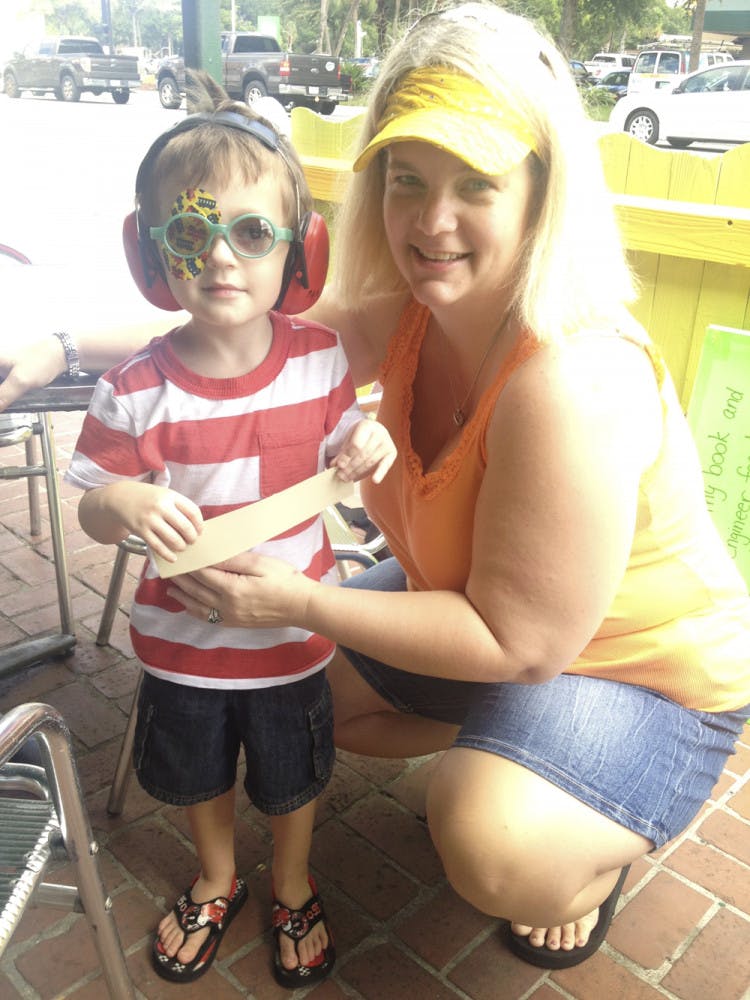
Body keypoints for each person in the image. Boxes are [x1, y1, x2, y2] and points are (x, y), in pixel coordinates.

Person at [2, 2, 750, 971]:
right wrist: (56, 345)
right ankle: (519, 747)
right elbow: (224, 335)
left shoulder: (572, 377)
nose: (431, 222)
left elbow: (520, 641)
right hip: (483, 616)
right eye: (407, 181)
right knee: (321, 699)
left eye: (474, 182)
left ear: (541, 190)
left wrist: (301, 598)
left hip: (635, 665)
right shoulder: (415, 308)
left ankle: (578, 841)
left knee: (487, 837)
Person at [63, 74, 395, 988]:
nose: (220, 257)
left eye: (251, 232)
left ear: (298, 251)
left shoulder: (321, 358)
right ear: (151, 252)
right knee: (199, 772)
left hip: (291, 639)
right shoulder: (132, 388)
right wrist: (122, 504)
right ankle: (216, 878)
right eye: (189, 230)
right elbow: (90, 497)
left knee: (293, 775)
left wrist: (369, 439)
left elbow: (346, 446)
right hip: (182, 645)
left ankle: (291, 880)